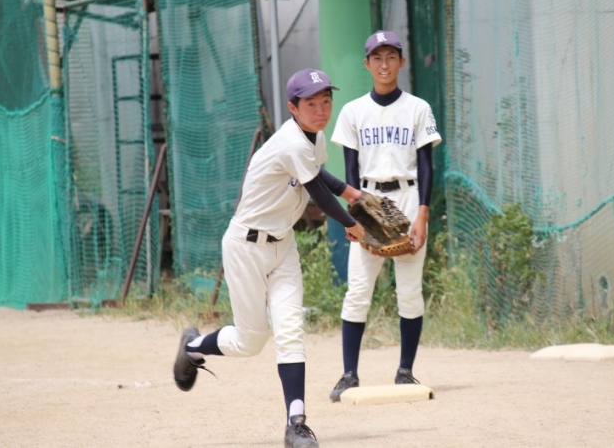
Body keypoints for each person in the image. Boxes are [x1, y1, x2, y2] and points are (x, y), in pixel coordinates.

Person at [173, 68, 365, 448]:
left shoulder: (314, 138)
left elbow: (318, 174)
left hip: (283, 247)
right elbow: (317, 194)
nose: (321, 110)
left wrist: (351, 193)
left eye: (326, 101)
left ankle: (296, 424)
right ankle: (192, 348)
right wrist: (351, 223)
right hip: (246, 248)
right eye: (311, 104)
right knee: (250, 341)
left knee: (290, 330)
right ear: (293, 108)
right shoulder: (290, 142)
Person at [328, 31, 442, 402]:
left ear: (401, 62)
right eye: (377, 57)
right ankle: (349, 374)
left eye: (391, 56)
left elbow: (426, 165)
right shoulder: (353, 111)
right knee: (358, 291)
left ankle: (405, 371)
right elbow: (349, 170)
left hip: (408, 197)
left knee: (410, 291)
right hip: (368, 198)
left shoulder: (418, 108)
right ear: (367, 64)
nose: (384, 64)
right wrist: (353, 217)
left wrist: (422, 215)